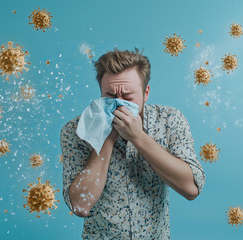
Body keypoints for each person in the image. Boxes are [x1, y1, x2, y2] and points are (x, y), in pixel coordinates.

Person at [60, 47, 206, 239]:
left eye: (128, 97)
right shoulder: (75, 130)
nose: (119, 104)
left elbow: (191, 189)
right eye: (110, 96)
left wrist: (138, 137)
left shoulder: (170, 120)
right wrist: (104, 139)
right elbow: (80, 205)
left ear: (146, 93)